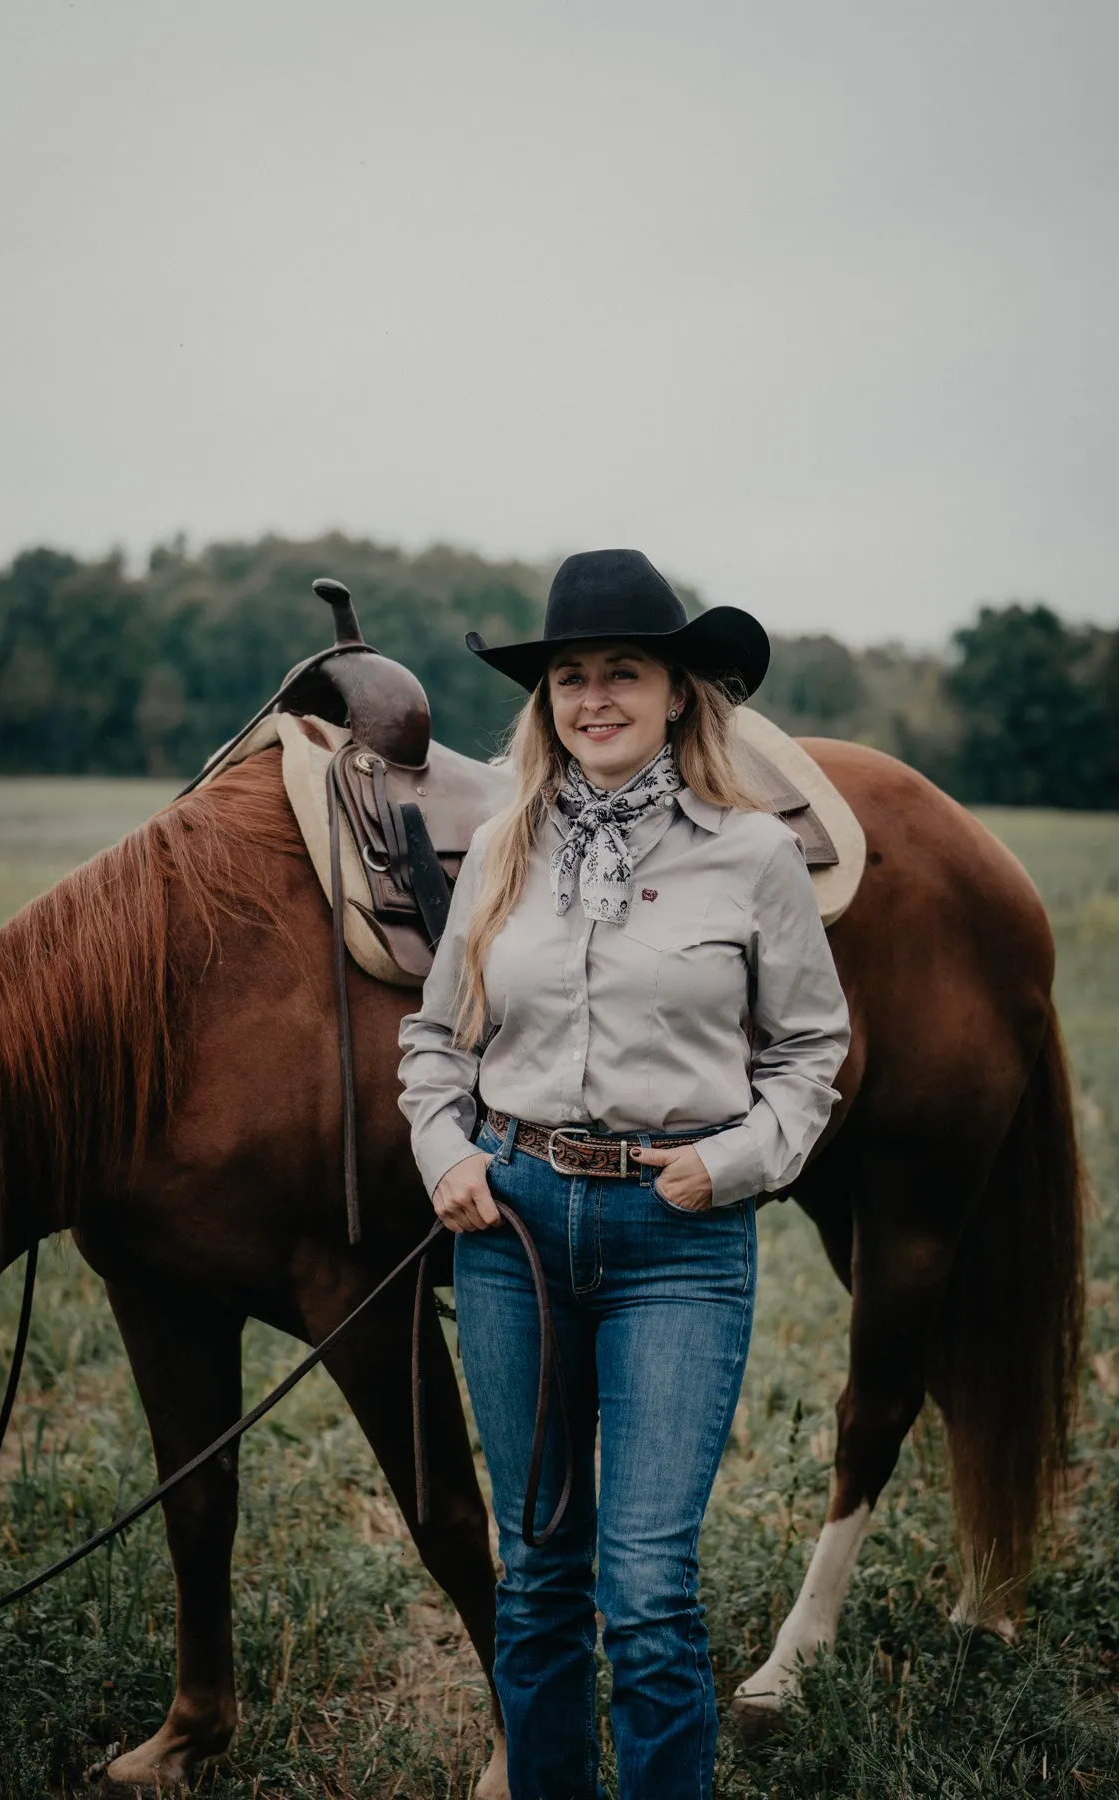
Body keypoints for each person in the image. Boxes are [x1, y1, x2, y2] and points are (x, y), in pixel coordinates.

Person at [397, 549, 850, 1800]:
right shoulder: (499, 851)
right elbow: (435, 1041)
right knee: (539, 1574)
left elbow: (814, 1053)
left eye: (625, 674)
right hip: (517, 1230)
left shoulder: (752, 858)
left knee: (648, 1592)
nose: (595, 697)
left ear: (675, 692)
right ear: (546, 701)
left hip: (678, 1236)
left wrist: (733, 1162)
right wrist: (447, 1152)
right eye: (572, 678)